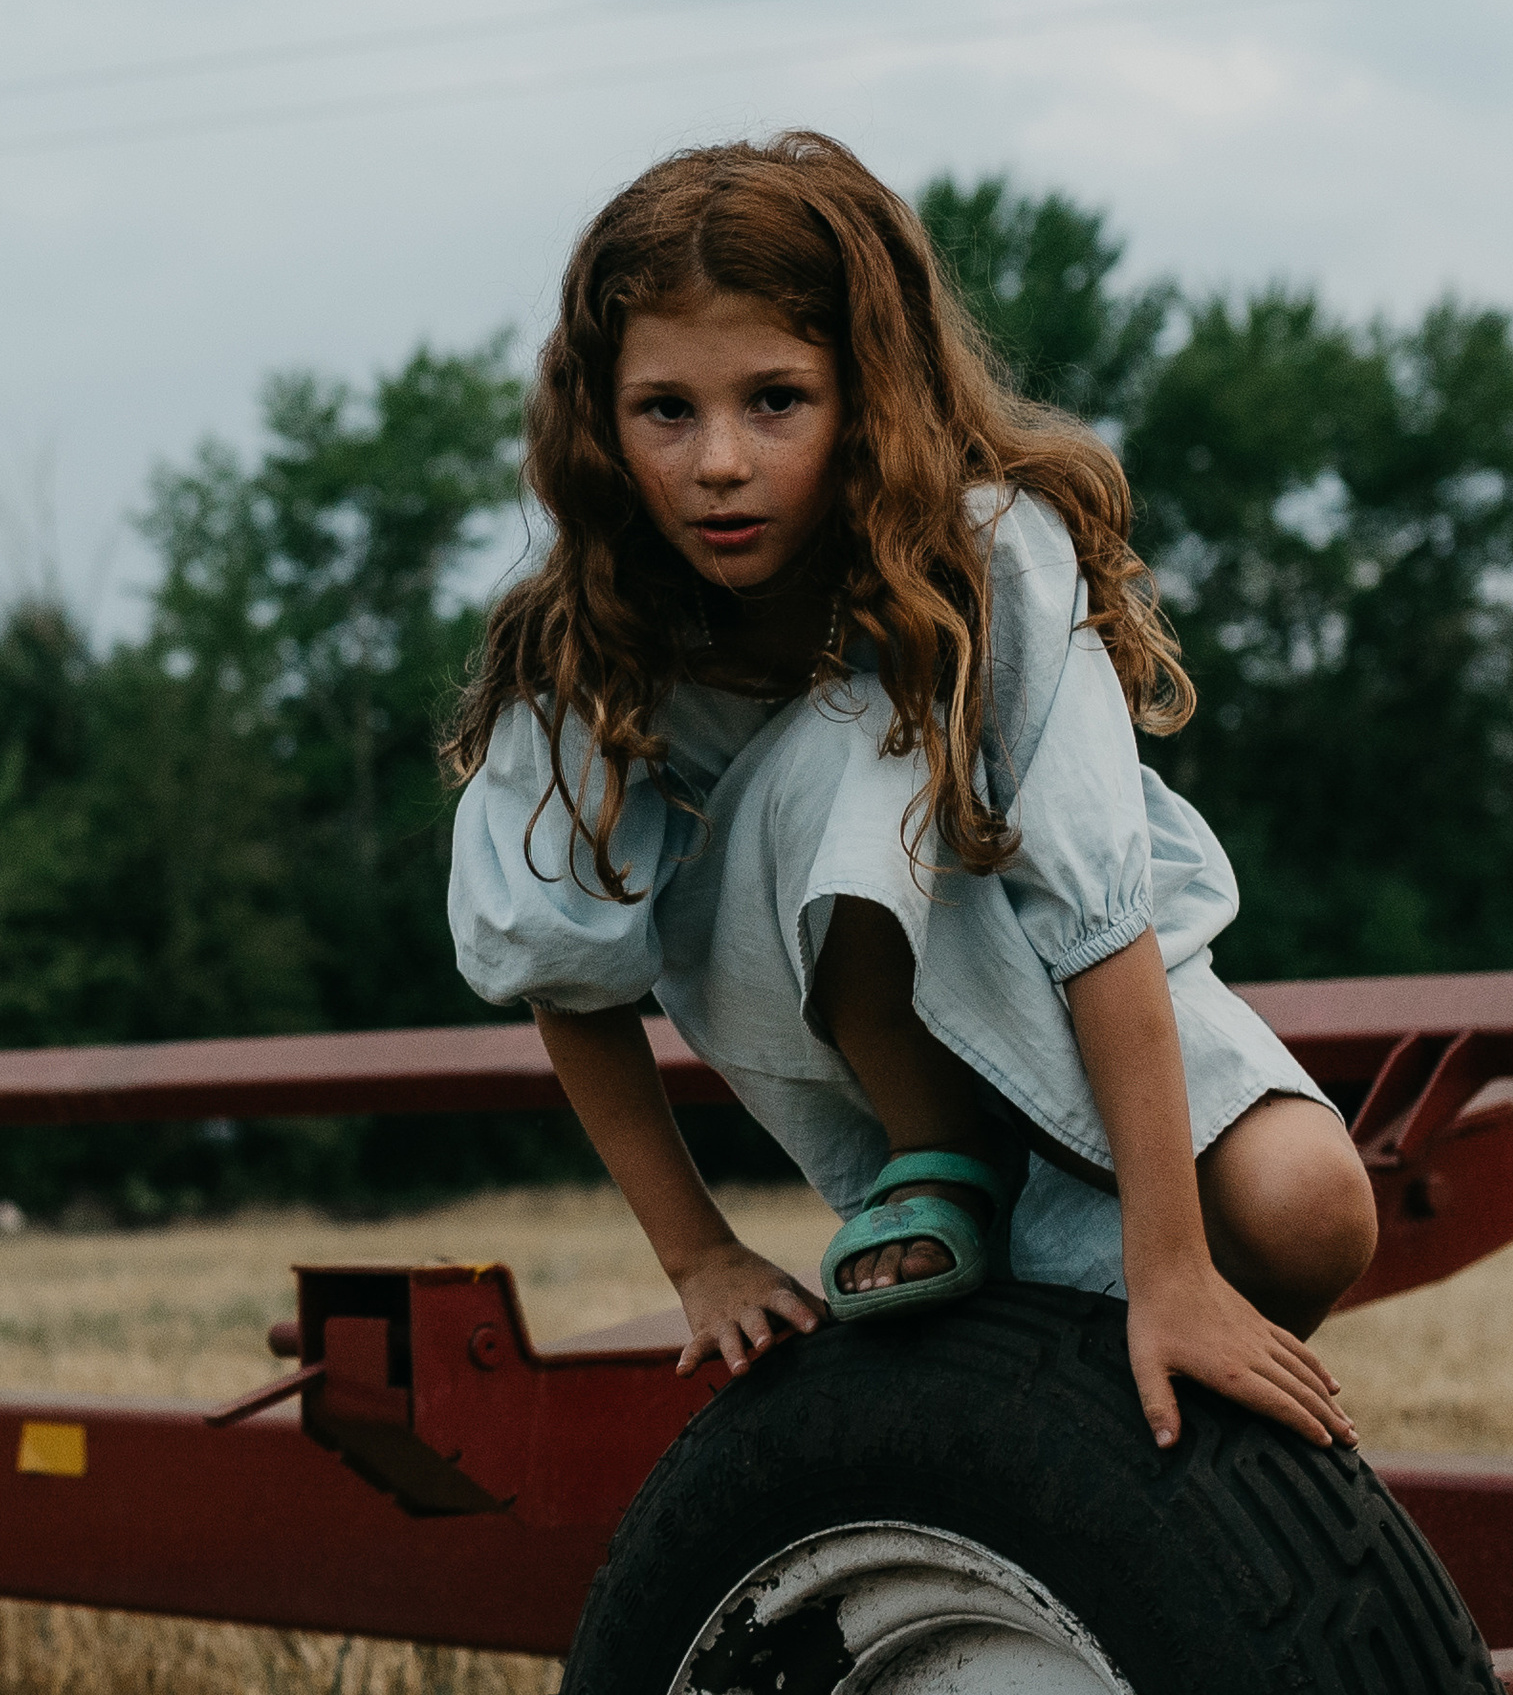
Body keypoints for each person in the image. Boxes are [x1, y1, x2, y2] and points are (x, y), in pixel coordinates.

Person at [443, 133, 1376, 1449]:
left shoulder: (991, 557)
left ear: (869, 395)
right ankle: (942, 1165)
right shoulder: (584, 638)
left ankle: (1103, 1336)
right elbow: (564, 967)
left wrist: (1174, 1272)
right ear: (601, 418)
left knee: (1312, 1212)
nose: (718, 461)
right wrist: (699, 1259)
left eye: (777, 400)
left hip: (1055, 969)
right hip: (839, 1025)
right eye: (668, 410)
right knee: (856, 719)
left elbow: (1103, 912)